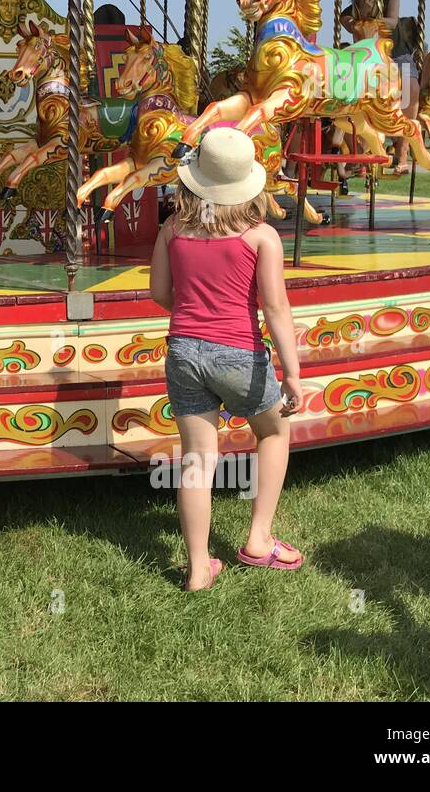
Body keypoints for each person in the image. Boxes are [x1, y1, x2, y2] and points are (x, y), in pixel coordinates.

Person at [148, 128, 304, 591]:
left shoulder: (172, 229)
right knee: (274, 430)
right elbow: (274, 307)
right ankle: (259, 538)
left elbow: (161, 294)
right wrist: (292, 373)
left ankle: (198, 569)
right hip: (238, 353)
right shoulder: (261, 237)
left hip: (183, 351)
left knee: (197, 459)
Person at [339, 0, 419, 172]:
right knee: (350, 94)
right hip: (368, 59)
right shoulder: (346, 14)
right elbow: (357, 33)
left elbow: (392, 22)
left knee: (410, 89)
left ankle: (402, 151)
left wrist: (373, 14)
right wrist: (364, 14)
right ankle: (359, 148)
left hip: (397, 54)